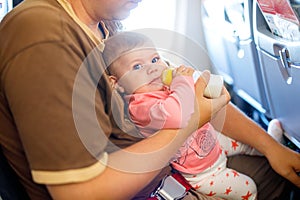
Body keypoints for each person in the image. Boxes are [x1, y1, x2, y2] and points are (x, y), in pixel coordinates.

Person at [0, 0, 299, 199]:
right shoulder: (44, 36)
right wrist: (192, 119)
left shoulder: (107, 24)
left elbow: (186, 89)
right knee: (269, 184)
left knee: (280, 161)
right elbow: (78, 192)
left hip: (174, 167)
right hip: (160, 187)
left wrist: (270, 147)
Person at [101, 31, 288, 199]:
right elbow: (178, 113)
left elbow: (195, 96)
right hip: (204, 172)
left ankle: (273, 145)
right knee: (249, 188)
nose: (152, 68)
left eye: (155, 59)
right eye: (136, 67)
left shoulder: (160, 85)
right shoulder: (141, 107)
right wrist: (182, 81)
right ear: (116, 83)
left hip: (209, 141)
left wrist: (195, 80)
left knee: (248, 146)